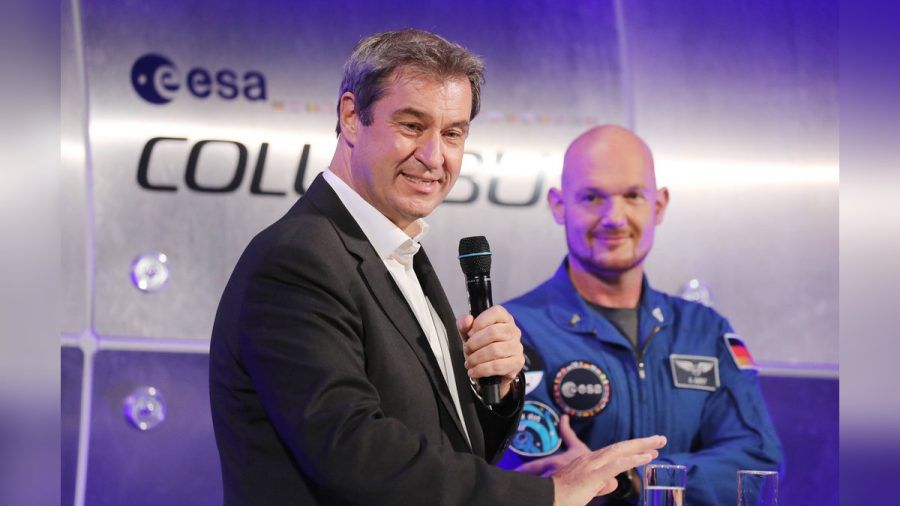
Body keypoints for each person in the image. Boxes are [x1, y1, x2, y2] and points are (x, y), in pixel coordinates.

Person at [209, 30, 665, 506]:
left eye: (453, 133)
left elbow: (450, 448)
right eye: (411, 125)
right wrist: (546, 495)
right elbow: (355, 454)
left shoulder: (398, 253)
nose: (434, 157)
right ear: (350, 117)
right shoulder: (299, 258)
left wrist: (496, 391)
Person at [498, 125, 783, 505]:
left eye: (632, 195)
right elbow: (520, 472)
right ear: (558, 205)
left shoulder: (704, 333)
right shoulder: (513, 334)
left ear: (659, 205)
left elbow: (756, 462)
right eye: (592, 197)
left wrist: (630, 478)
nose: (614, 217)